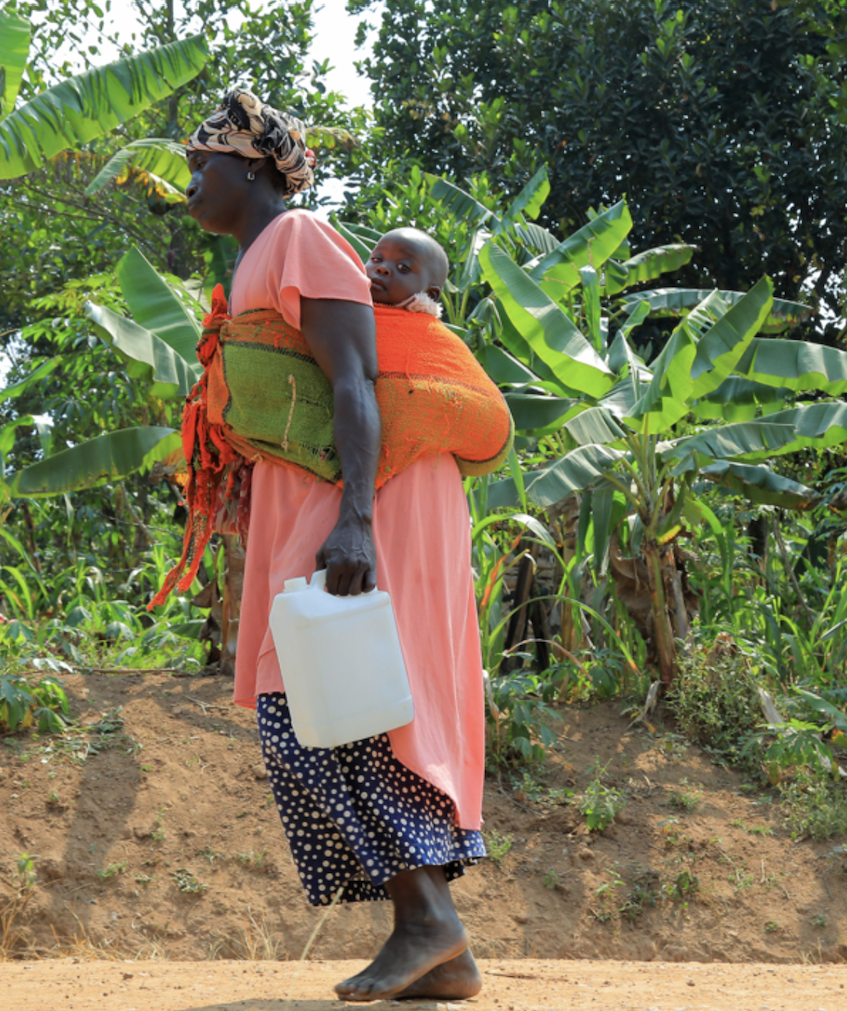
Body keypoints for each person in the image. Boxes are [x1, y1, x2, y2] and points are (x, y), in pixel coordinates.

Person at [164, 89, 510, 1003]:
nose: (190, 180)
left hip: (368, 502)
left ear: (251, 169)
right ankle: (437, 945)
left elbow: (353, 378)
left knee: (330, 705)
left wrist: (353, 517)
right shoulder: (251, 262)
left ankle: (429, 920)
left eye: (203, 164)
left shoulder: (301, 238)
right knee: (319, 705)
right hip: (312, 500)